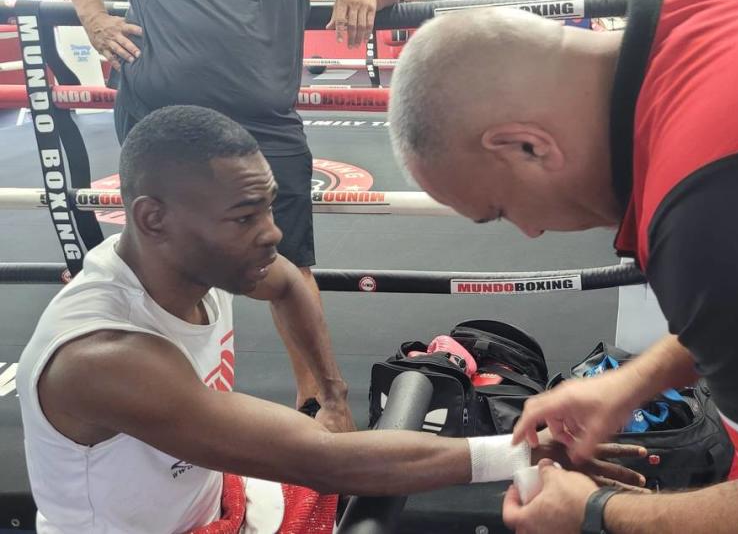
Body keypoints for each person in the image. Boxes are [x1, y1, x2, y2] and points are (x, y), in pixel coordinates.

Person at [386, 0, 738, 532]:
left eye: (502, 209)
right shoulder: (697, 18)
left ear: (527, 145)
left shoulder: (718, 210)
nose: (531, 230)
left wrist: (596, 511)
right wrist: (636, 379)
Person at [16, 105, 643, 533]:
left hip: (219, 499)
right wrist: (523, 454)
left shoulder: (199, 261)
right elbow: (323, 460)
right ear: (153, 219)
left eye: (268, 208)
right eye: (244, 218)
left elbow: (290, 284)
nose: (271, 235)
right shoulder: (106, 358)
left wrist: (328, 395)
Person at [71, 0, 400, 396]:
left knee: (289, 262)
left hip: (265, 120)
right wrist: (91, 14)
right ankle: (169, 392)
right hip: (157, 112)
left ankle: (321, 402)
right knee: (165, 255)